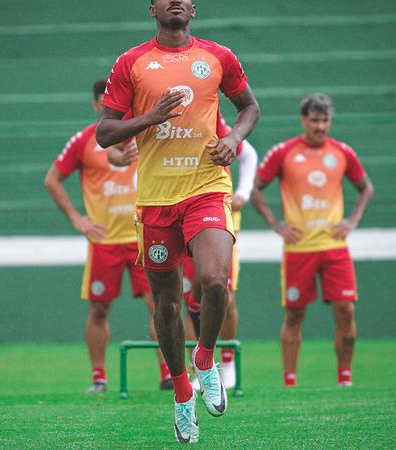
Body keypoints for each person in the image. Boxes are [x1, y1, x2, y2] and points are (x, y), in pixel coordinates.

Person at [95, 0, 259, 443]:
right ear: (152, 9)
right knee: (166, 306)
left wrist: (234, 137)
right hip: (155, 200)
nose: (175, 2)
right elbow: (103, 132)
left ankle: (205, 359)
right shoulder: (132, 62)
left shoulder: (218, 56)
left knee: (214, 281)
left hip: (206, 186)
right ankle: (182, 392)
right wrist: (150, 117)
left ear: (193, 8)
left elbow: (250, 108)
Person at [44, 79, 172, 394]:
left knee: (159, 304)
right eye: (102, 103)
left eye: (112, 102)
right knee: (99, 309)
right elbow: (52, 179)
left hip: (143, 236)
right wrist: (77, 219)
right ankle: (99, 377)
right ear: (95, 106)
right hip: (104, 242)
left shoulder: (144, 133)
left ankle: (168, 373)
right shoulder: (84, 141)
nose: (108, 107)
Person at [251, 93, 373, 388]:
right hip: (299, 249)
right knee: (294, 315)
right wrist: (276, 224)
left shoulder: (342, 152)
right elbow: (254, 188)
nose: (320, 126)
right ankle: (290, 381)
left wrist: (352, 220)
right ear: (303, 120)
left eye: (325, 120)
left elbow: (366, 187)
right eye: (315, 120)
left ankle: (345, 378)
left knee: (346, 309)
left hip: (334, 247)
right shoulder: (284, 152)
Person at [182, 114, 258, 391]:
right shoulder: (167, 121)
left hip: (217, 220)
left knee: (223, 292)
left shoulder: (209, 117)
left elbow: (247, 153)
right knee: (190, 298)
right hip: (180, 218)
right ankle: (199, 367)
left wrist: (244, 192)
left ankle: (226, 364)